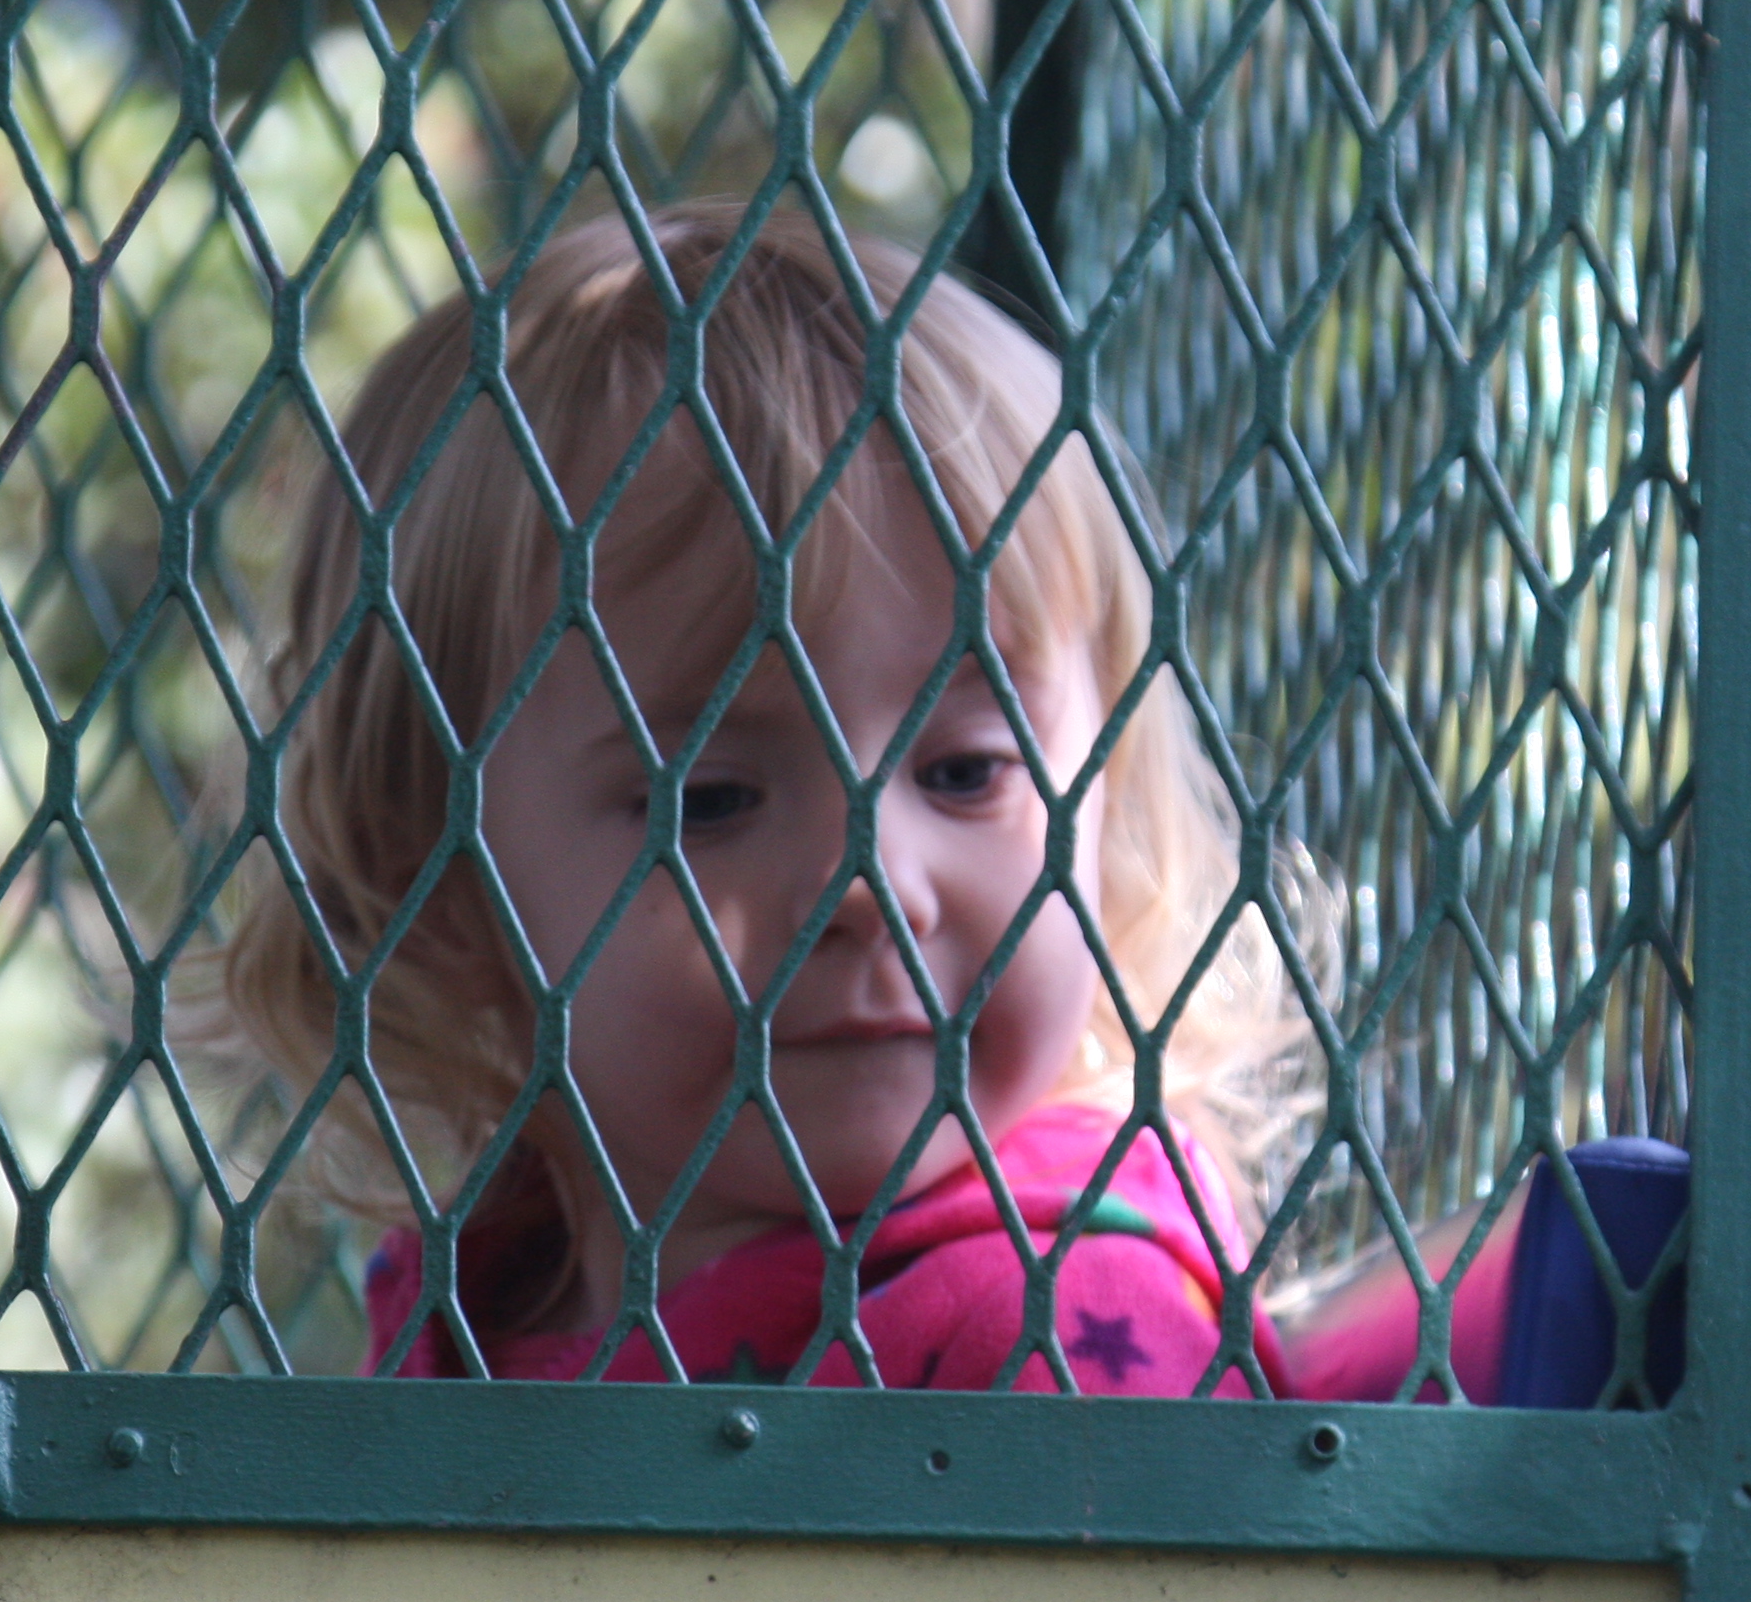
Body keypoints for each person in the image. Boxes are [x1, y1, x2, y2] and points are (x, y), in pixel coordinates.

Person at [212, 199, 1524, 1395]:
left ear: (1104, 803)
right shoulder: (479, 1295)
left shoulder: (1056, 1334)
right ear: (439, 884)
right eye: (711, 799)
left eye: (965, 774)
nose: (871, 883)